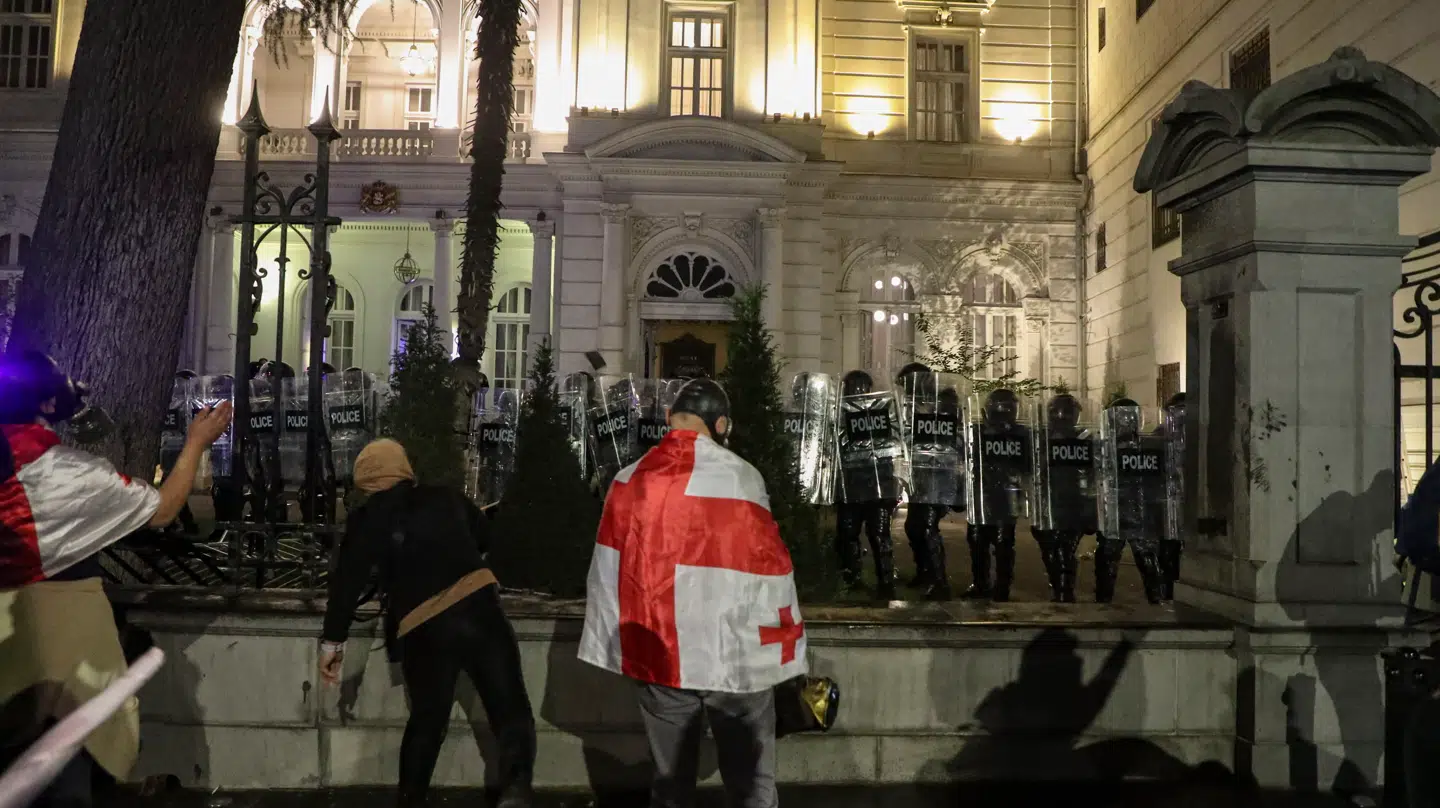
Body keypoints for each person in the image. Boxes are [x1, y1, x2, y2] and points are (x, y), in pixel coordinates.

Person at [0, 351, 232, 808]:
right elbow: (163, 509)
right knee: (64, 770)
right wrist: (196, 443)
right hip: (60, 648)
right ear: (49, 404)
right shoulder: (64, 473)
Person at [579, 379, 808, 808]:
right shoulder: (742, 476)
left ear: (669, 419)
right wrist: (784, 642)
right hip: (734, 654)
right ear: (721, 423)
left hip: (661, 653)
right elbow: (770, 568)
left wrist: (616, 640)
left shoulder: (628, 480)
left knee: (671, 786)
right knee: (752, 784)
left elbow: (608, 570)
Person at [317, 439, 536, 808]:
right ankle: (515, 789)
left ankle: (411, 798)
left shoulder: (367, 518)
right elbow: (484, 536)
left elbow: (346, 585)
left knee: (427, 721)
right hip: (481, 609)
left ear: (365, 481)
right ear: (404, 468)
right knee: (510, 709)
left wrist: (332, 644)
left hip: (424, 626)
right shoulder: (447, 497)